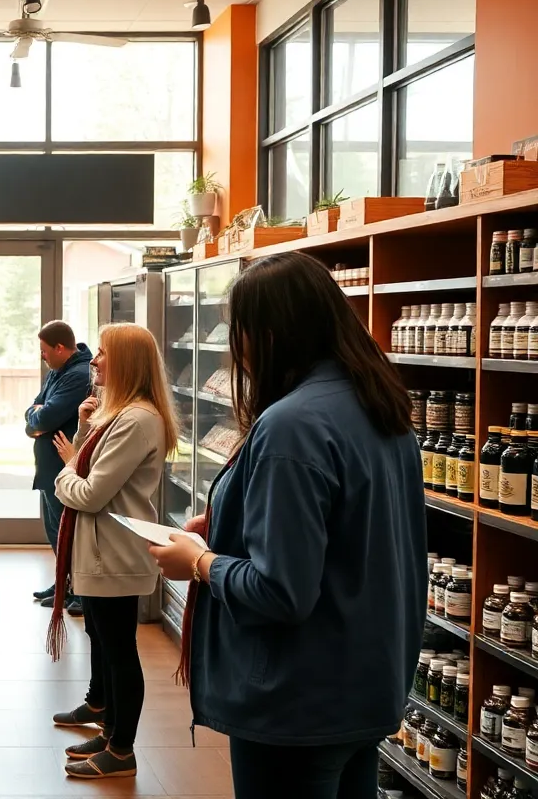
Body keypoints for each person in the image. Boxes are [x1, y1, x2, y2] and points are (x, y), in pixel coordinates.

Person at [148, 252, 426, 799]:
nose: (237, 349)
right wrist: (229, 521)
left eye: (240, 330)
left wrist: (199, 562)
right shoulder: (378, 404)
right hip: (366, 685)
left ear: (271, 333)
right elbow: (349, 537)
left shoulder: (291, 425)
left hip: (298, 703)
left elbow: (281, 591)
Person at [46, 322, 177, 779]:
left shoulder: (138, 420)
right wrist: (83, 429)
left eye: (101, 353)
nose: (93, 360)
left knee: (119, 651)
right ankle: (111, 731)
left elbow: (87, 492)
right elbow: (92, 470)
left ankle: (122, 751)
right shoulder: (120, 414)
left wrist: (63, 472)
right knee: (106, 644)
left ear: (124, 362)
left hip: (114, 554)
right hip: (105, 551)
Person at [25, 321, 93, 614]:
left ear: (60, 348)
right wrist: (36, 417)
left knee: (68, 531)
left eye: (44, 351)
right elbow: (34, 411)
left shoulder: (77, 376)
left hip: (63, 468)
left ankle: (79, 591)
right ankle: (63, 583)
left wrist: (38, 418)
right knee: (54, 529)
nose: (42, 357)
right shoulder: (58, 372)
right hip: (49, 468)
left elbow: (45, 417)